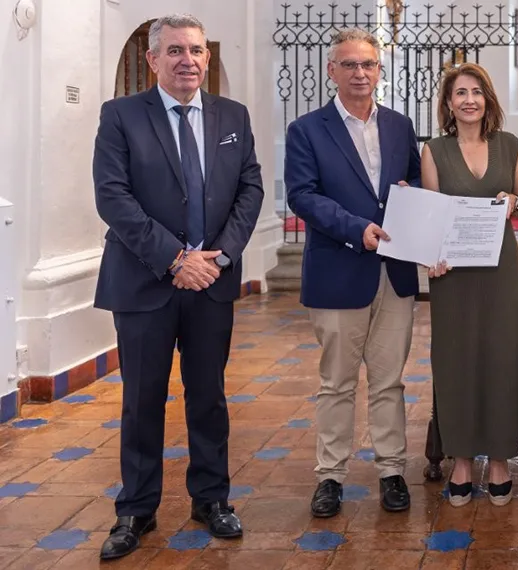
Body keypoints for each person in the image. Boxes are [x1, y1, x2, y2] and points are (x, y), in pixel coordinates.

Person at [92, 14, 264, 560]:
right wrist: (174, 260)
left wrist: (222, 255)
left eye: (194, 50)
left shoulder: (232, 115)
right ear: (153, 59)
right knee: (142, 401)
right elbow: (113, 196)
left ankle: (211, 498)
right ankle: (136, 509)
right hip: (145, 283)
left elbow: (250, 188)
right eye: (174, 51)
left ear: (207, 58)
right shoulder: (121, 116)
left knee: (209, 397)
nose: (186, 60)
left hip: (211, 281)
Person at [284, 28, 421, 518]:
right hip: (339, 269)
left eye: (368, 64)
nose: (360, 73)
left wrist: (415, 208)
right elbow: (302, 195)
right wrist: (355, 228)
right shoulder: (307, 129)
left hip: (395, 273)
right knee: (337, 382)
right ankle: (331, 476)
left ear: (380, 71)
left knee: (389, 381)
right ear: (331, 71)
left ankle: (391, 471)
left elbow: (416, 186)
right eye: (349, 64)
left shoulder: (401, 126)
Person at [419, 62, 518, 507]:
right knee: (456, 362)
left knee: (502, 359)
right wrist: (432, 256)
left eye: (476, 92)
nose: (469, 100)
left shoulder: (509, 145)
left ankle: (499, 459)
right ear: (448, 103)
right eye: (460, 93)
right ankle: (461, 459)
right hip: (454, 273)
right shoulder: (434, 151)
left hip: (500, 268)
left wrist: (513, 200)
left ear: (488, 100)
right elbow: (430, 215)